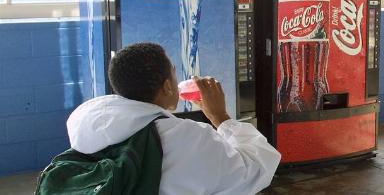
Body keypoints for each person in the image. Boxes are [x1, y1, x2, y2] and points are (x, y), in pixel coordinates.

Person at [66, 42, 281, 194]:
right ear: (168, 86)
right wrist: (221, 118)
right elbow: (256, 170)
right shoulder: (185, 138)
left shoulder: (85, 124)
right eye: (174, 73)